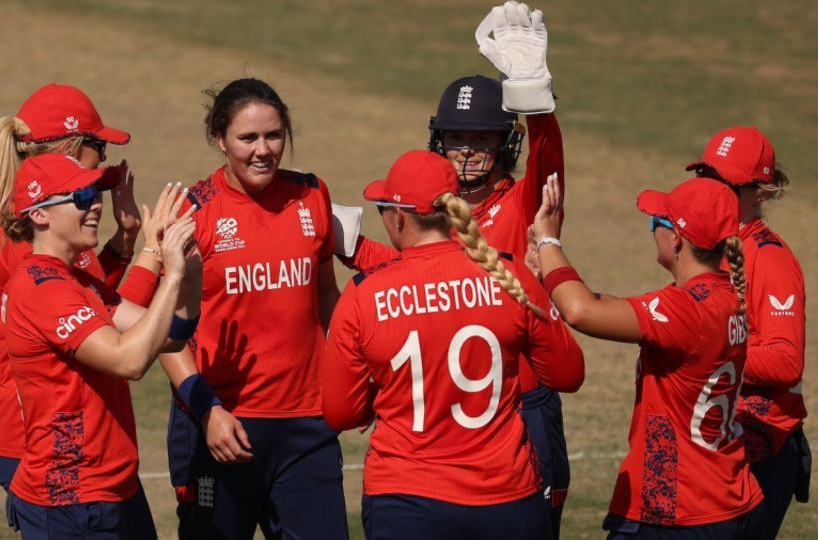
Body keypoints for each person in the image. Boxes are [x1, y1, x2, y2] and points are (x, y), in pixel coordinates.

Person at [336, 2, 574, 534]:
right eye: (456, 139)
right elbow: (422, 273)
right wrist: (354, 248)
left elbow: (549, 160)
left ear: (505, 144)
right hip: (444, 401)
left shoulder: (521, 202)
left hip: (522, 405)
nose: (466, 152)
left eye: (482, 139)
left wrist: (536, 98)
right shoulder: (433, 207)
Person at [322, 150, 584, 540]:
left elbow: (340, 412)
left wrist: (389, 387)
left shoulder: (364, 295)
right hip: (507, 497)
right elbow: (567, 373)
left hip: (405, 498)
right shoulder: (509, 274)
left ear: (398, 216)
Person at [0, 83, 161, 530]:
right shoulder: (45, 232)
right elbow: (108, 322)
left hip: (27, 424)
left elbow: (86, 297)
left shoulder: (35, 214)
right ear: (69, 147)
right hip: (43, 434)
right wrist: (154, 255)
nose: (102, 160)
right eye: (97, 146)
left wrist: (124, 243)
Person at [159, 78, 347, 539]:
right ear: (219, 139)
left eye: (274, 135)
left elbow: (326, 294)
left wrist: (353, 373)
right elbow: (163, 337)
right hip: (220, 427)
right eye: (248, 138)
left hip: (308, 427)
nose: (263, 150)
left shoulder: (312, 194)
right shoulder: (192, 213)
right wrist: (208, 412)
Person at [530, 176, 766, 538]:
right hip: (728, 497)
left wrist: (548, 241)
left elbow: (582, 310)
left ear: (677, 240)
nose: (651, 229)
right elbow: (604, 304)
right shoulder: (725, 297)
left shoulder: (688, 309)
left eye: (657, 222)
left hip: (676, 508)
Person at [1, 153, 201, 539]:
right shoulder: (41, 289)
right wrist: (169, 272)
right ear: (40, 215)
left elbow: (168, 335)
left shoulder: (77, 280)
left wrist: (189, 276)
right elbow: (130, 360)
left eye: (93, 193)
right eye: (79, 197)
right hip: (71, 501)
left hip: (115, 489)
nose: (95, 204)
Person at [687, 126, 810, 538]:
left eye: (728, 184)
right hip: (718, 437)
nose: (714, 190)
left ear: (762, 191)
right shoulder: (707, 246)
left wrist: (712, 349)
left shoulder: (769, 260)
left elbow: (786, 360)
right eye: (708, 176)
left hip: (761, 448)